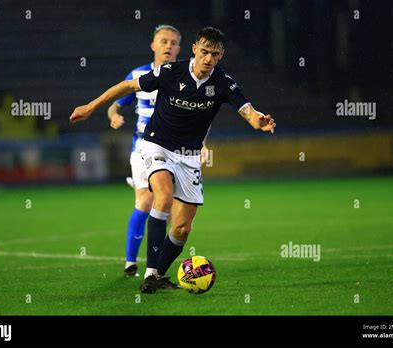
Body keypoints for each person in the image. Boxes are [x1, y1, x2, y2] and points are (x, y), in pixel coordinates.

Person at [69, 27, 276, 293]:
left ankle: (158, 275)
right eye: (204, 52)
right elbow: (129, 85)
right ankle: (148, 271)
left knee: (181, 228)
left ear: (221, 55)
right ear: (194, 49)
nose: (208, 59)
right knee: (162, 196)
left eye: (214, 54)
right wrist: (91, 106)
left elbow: (247, 110)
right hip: (157, 144)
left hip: (189, 156)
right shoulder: (171, 72)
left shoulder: (224, 83)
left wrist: (258, 120)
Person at [106, 25, 183, 277]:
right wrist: (114, 114)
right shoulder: (139, 74)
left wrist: (201, 143)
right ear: (153, 45)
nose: (168, 46)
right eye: (164, 41)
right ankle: (130, 263)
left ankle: (156, 266)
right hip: (142, 147)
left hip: (174, 149)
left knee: (168, 207)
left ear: (179, 48)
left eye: (173, 42)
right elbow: (116, 104)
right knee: (146, 199)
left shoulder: (185, 76)